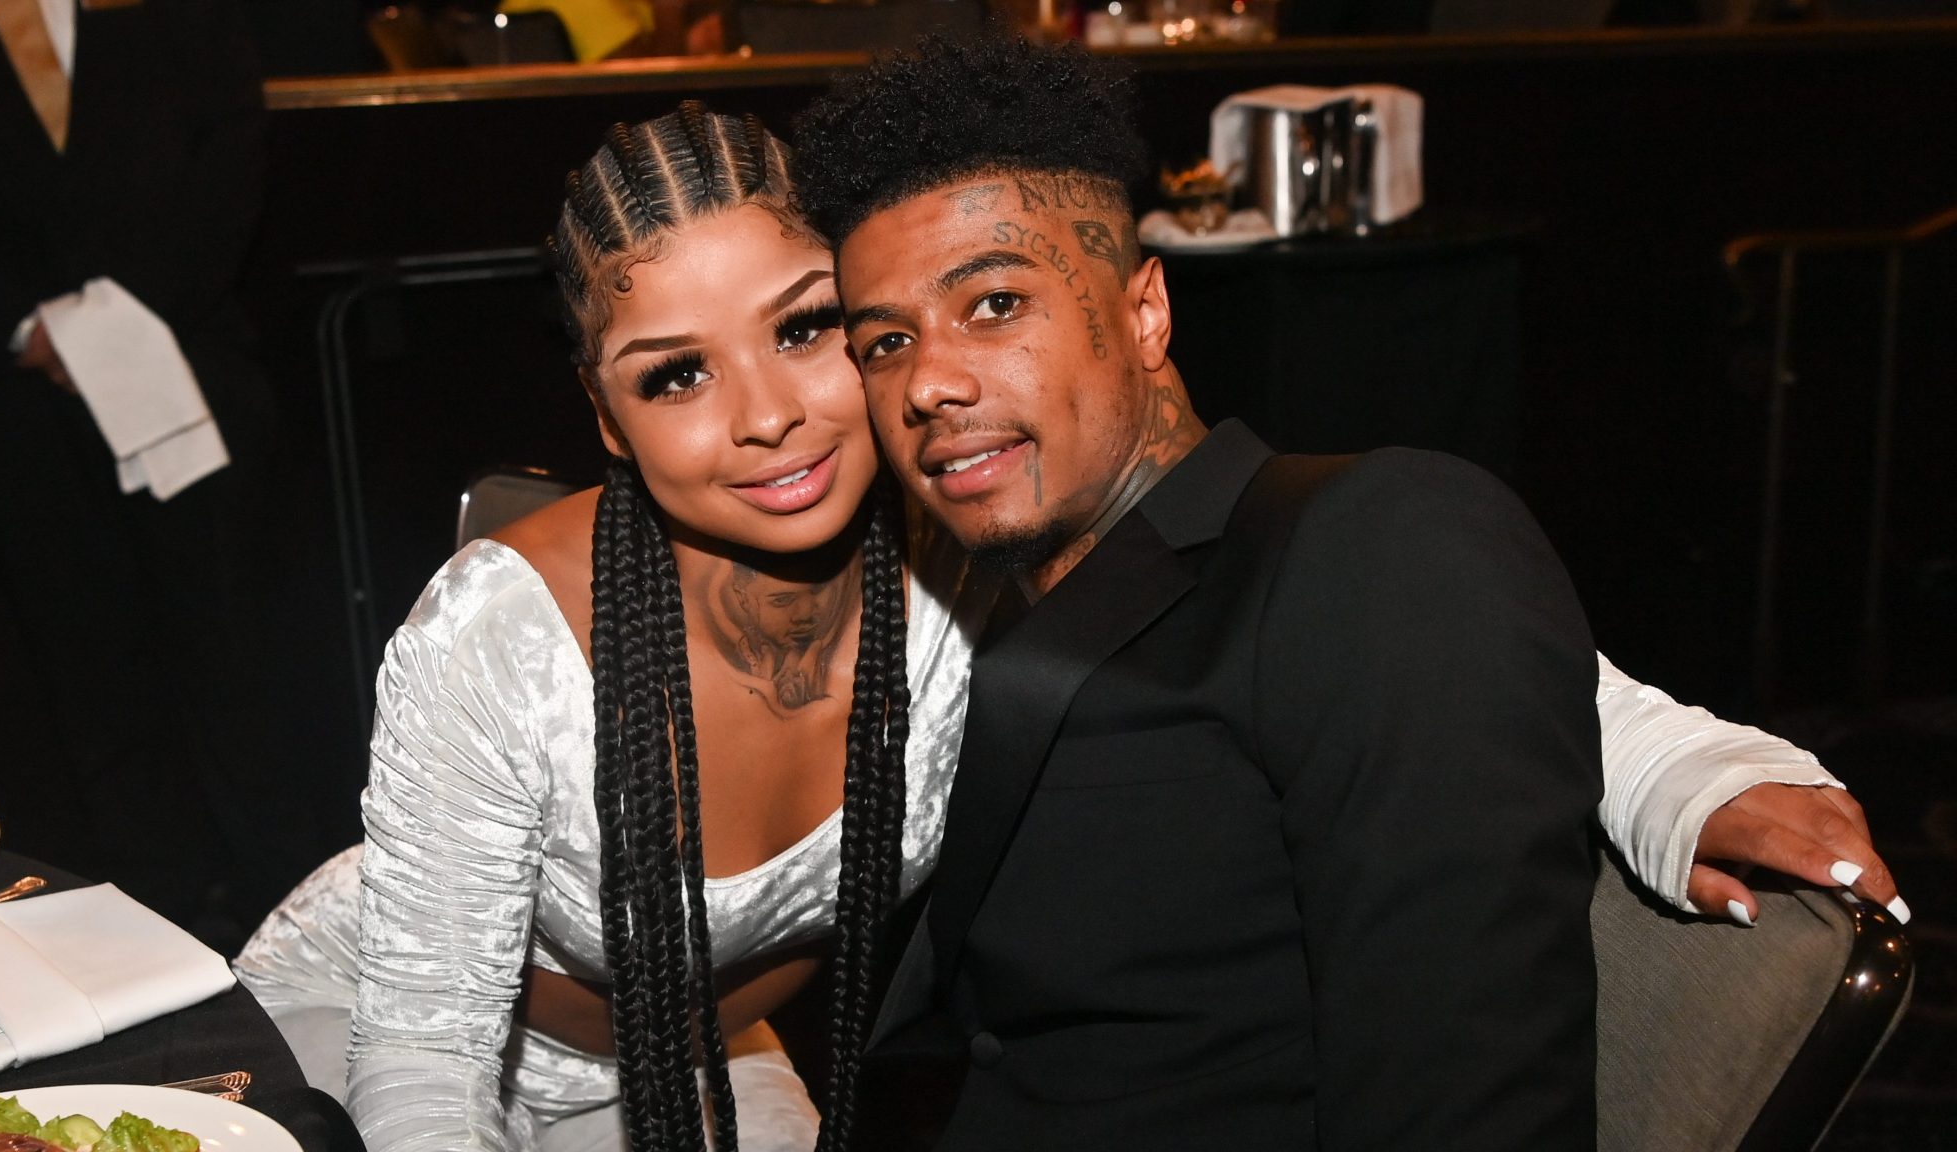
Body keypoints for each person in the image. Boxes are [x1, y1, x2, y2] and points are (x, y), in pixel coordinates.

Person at [236, 101, 1899, 1151]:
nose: (767, 413)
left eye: (811, 332)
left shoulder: (955, 541)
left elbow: (1403, 620)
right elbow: (423, 1061)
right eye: (675, 373)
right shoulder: (498, 635)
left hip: (723, 1071)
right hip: (434, 1048)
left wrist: (1685, 776)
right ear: (607, 422)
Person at [790, 34, 1902, 1147]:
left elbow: (1467, 1110)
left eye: (993, 303)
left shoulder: (1370, 533)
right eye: (884, 342)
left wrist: (1660, 761)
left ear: (1144, 313)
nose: (928, 382)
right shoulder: (954, 587)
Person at [0, 0, 308, 936]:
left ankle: (296, 915)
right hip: (4, 398)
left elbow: (229, 145)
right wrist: (28, 327)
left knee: (239, 659)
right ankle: (155, 921)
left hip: (188, 362)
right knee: (89, 676)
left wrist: (117, 324)